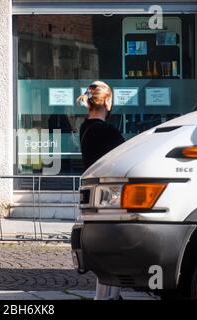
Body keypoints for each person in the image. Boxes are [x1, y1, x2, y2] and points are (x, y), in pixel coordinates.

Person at [77, 80, 125, 300]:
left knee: (106, 252)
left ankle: (104, 296)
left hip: (93, 195)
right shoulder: (108, 132)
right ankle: (109, 296)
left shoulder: (85, 127)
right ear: (107, 101)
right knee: (115, 251)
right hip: (111, 197)